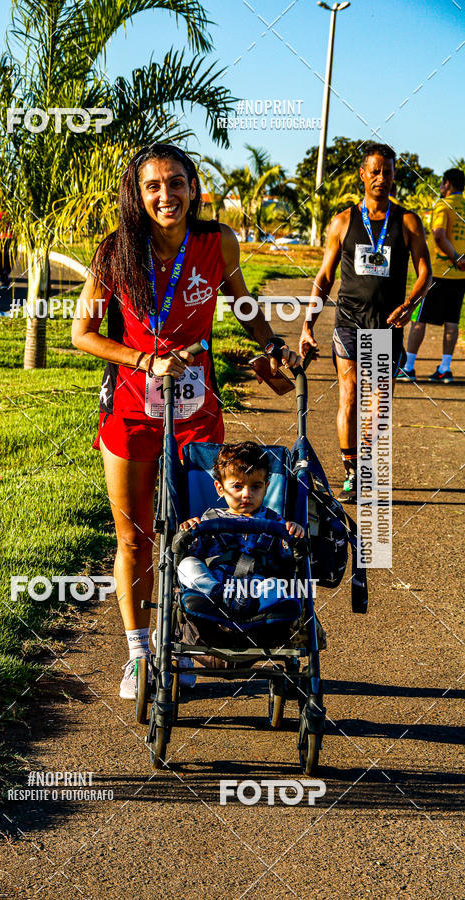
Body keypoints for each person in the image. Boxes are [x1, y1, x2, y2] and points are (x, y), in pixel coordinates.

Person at [71, 142, 298, 699]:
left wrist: (273, 346)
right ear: (137, 194)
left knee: (197, 533)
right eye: (153, 186)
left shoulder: (216, 242)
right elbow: (82, 333)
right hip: (130, 410)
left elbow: (242, 304)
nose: (166, 195)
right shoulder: (116, 251)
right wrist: (145, 358)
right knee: (135, 539)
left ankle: (188, 641)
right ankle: (140, 655)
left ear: (193, 188)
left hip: (197, 412)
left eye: (176, 183)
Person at [298, 143, 432, 503]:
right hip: (348, 322)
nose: (381, 178)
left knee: (377, 404)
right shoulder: (343, 221)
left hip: (387, 324)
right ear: (362, 174)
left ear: (394, 176)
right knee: (350, 394)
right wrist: (307, 325)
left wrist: (409, 303)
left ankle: (368, 467)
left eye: (387, 171)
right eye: (374, 171)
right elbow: (324, 277)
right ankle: (352, 473)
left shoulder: (407, 221)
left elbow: (425, 273)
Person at [177, 442, 304, 618]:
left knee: (278, 585)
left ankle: (259, 606)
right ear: (220, 489)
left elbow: (288, 559)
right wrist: (190, 532)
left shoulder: (275, 520)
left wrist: (293, 533)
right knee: (186, 566)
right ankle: (215, 598)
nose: (246, 494)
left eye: (256, 487)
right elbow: (194, 553)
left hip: (256, 588)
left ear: (266, 487)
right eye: (237, 486)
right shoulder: (210, 518)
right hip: (216, 583)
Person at [399, 168, 465, 383]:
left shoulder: (443, 205)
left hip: (437, 272)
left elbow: (438, 234)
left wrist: (455, 256)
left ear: (447, 184)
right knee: (452, 321)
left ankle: (408, 367)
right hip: (459, 275)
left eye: (441, 183)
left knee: (419, 318)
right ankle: (445, 368)